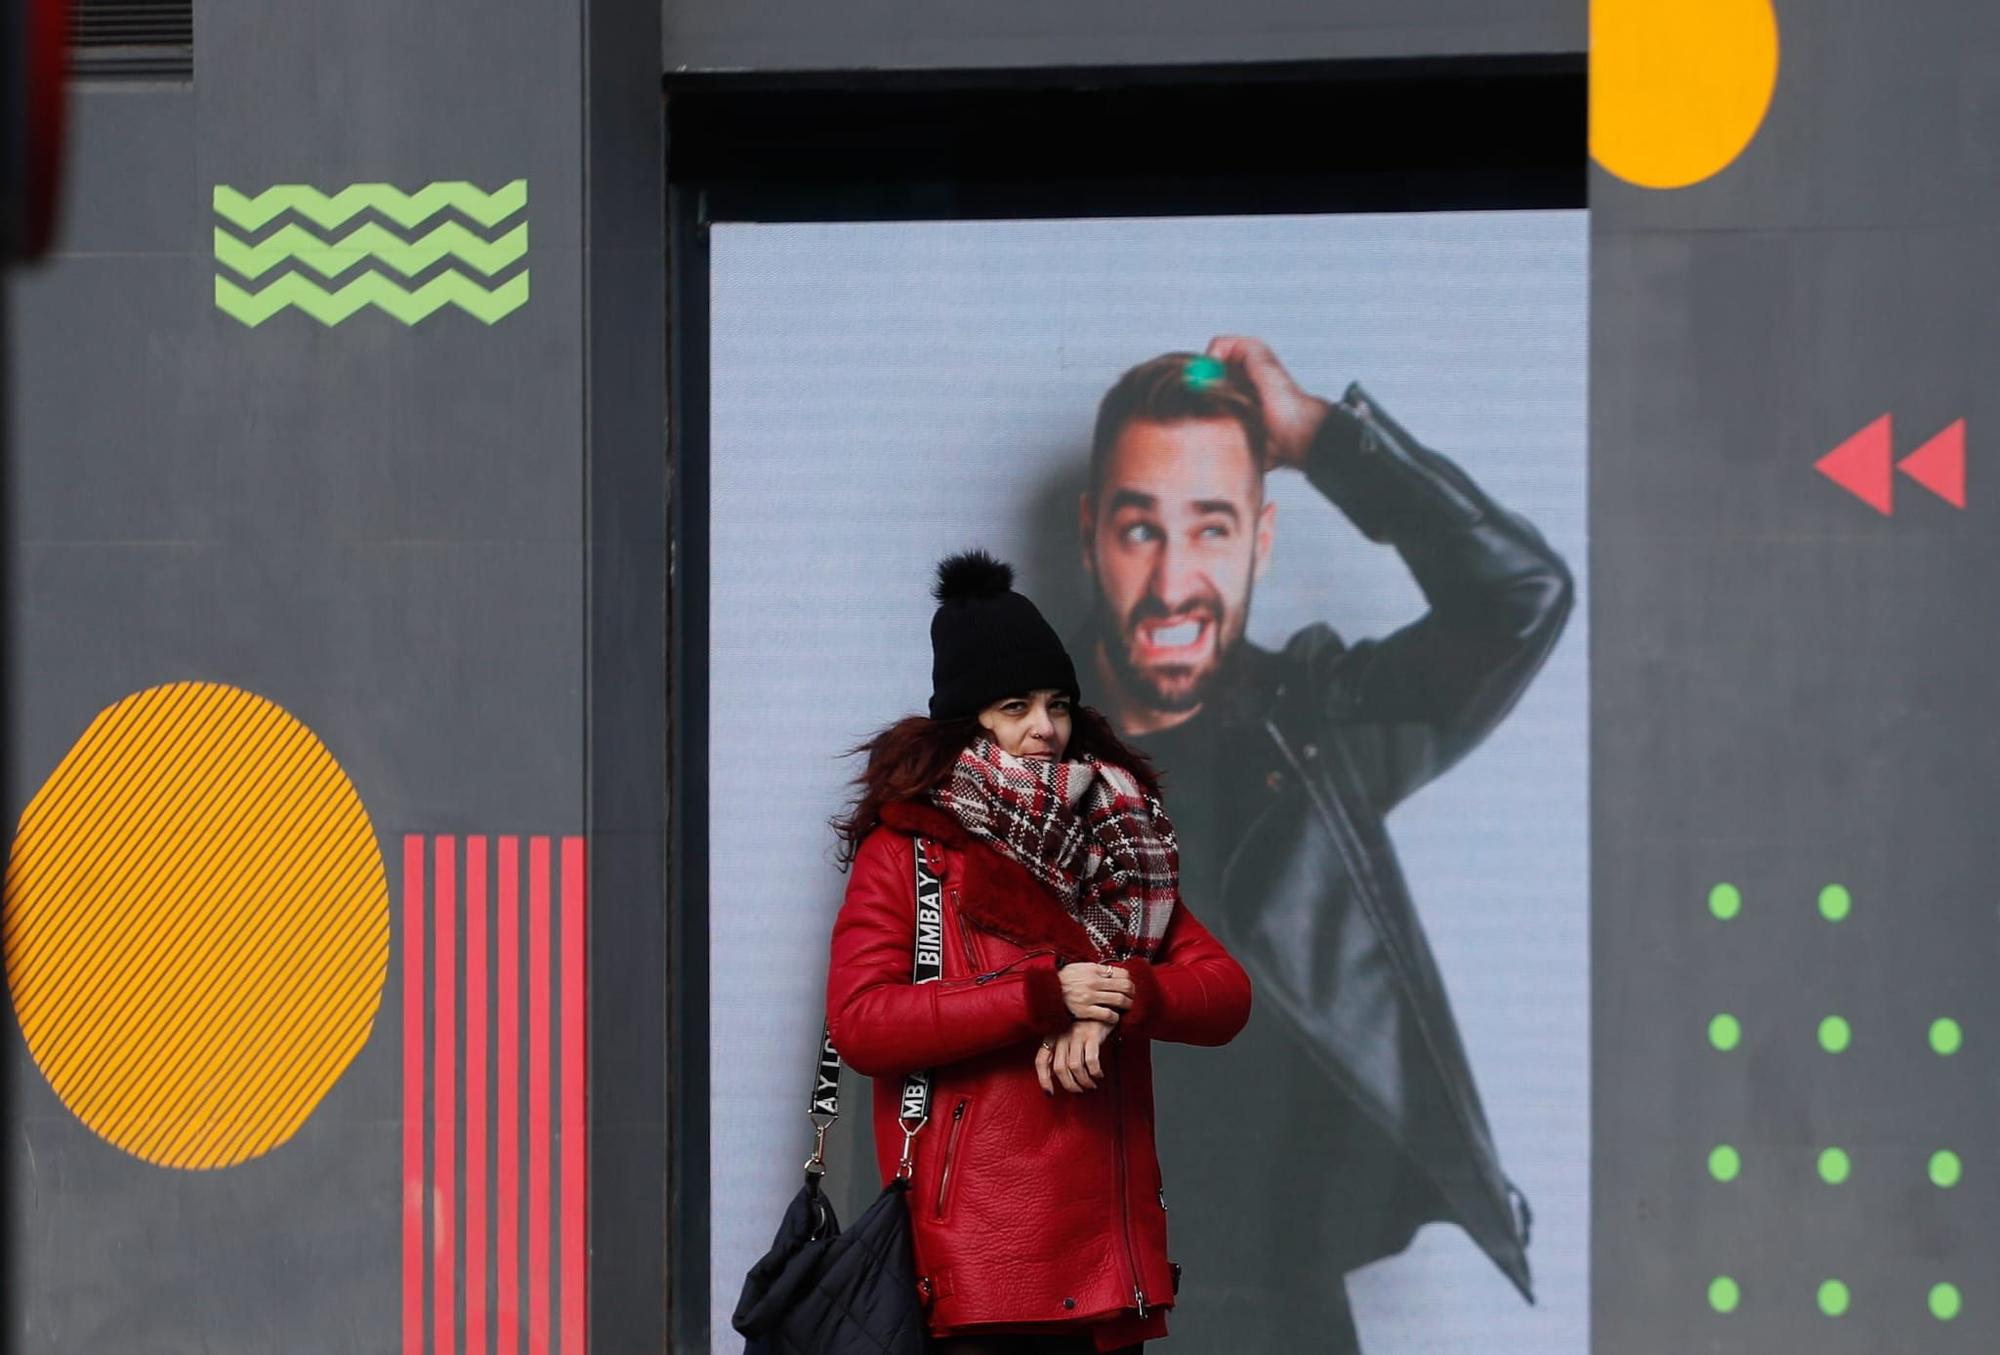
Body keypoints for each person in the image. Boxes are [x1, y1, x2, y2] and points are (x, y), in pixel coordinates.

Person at [1071, 339, 1574, 1351]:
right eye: (1139, 530)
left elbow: (1520, 598)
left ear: (1259, 540)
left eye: (1210, 529)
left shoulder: (1309, 736)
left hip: (1283, 1323)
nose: (1174, 582)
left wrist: (1320, 437)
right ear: (1090, 537)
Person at [826, 549, 1253, 1354]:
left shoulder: (1117, 842)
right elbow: (861, 1023)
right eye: (1015, 705)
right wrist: (1043, 995)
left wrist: (1118, 995)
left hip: (1103, 1268)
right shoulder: (912, 848)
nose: (1044, 729)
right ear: (968, 718)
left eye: (1057, 704)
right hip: (981, 1266)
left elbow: (1225, 993)